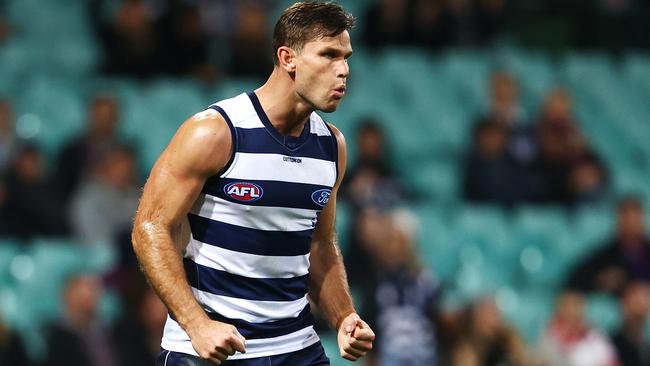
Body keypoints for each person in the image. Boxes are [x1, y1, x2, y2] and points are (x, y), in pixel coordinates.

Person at [131, 3, 375, 365]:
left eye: (346, 57)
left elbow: (320, 243)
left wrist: (343, 317)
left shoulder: (331, 146)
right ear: (287, 58)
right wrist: (198, 326)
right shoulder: (215, 132)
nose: (343, 70)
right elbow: (150, 228)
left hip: (297, 348)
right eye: (328, 55)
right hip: (210, 351)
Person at [567, 196, 650, 296]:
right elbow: (575, 281)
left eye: (635, 219)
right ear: (618, 222)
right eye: (626, 219)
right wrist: (599, 282)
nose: (631, 225)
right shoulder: (604, 257)